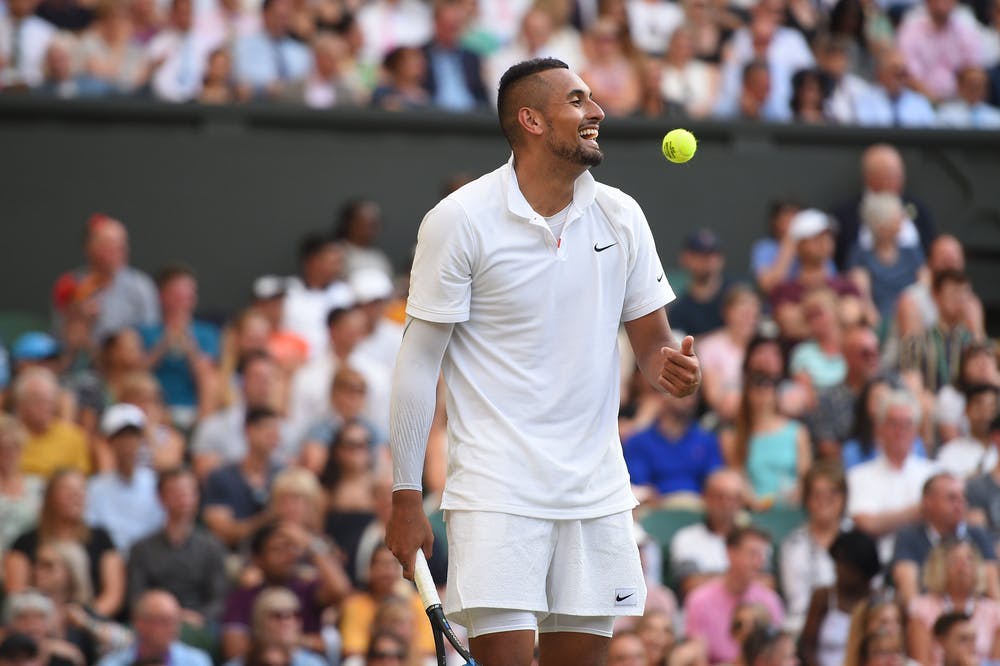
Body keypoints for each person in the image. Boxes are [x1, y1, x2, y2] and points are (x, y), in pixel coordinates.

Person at [385, 58, 701, 666]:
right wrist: (405, 495)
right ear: (531, 120)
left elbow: (654, 345)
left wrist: (675, 370)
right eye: (578, 101)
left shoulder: (623, 215)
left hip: (597, 492)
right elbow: (417, 364)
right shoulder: (459, 220)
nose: (598, 113)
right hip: (496, 491)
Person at [4, 469, 126, 619]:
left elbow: (113, 595)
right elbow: (16, 593)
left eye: (81, 490)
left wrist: (84, 618)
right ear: (50, 497)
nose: (76, 496)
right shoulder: (25, 543)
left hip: (89, 623)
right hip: (37, 624)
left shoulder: (101, 539)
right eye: (67, 490)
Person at [127, 467, 229, 629]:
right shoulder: (141, 549)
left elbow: (219, 599)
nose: (184, 498)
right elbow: (136, 598)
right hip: (154, 621)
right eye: (176, 492)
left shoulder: (212, 547)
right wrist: (166, 614)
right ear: (160, 497)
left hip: (198, 623)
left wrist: (199, 616)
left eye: (190, 492)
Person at [847, 389, 939, 563]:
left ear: (917, 430)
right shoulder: (859, 475)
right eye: (893, 423)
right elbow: (866, 524)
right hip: (878, 563)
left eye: (907, 424)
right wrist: (920, 510)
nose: (900, 431)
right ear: (879, 428)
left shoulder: (934, 473)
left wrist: (887, 520)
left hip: (930, 562)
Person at [890, 474, 999, 606]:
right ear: (928, 502)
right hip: (927, 616)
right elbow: (908, 591)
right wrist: (922, 616)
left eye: (962, 497)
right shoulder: (909, 536)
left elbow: (993, 588)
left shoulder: (977, 534)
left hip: (974, 614)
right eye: (952, 498)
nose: (960, 504)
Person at [683, 526, 785, 665]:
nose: (758, 563)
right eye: (752, 554)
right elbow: (697, 658)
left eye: (762, 556)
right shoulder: (699, 600)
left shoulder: (770, 600)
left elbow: (778, 654)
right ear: (731, 553)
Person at [50, 214, 159, 342]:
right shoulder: (70, 284)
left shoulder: (141, 285)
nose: (118, 250)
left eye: (121, 244)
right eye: (108, 244)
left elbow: (151, 335)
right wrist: (76, 319)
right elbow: (57, 338)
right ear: (89, 248)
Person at [138, 264, 220, 429]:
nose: (185, 298)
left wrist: (189, 346)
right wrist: (164, 344)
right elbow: (137, 373)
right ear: (163, 296)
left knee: (211, 377)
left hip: (195, 407)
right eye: (178, 293)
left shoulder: (207, 333)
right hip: (155, 408)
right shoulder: (145, 332)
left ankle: (203, 433)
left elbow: (206, 375)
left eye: (189, 292)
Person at [779, 463, 850, 634]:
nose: (823, 501)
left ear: (843, 498)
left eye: (832, 494)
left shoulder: (860, 541)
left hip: (850, 626)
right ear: (807, 499)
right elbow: (796, 600)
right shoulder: (793, 544)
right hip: (804, 626)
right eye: (816, 494)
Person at [85, 404, 165, 552]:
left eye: (133, 436)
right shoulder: (95, 488)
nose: (127, 443)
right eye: (120, 437)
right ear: (110, 443)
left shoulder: (155, 484)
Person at [907, 540, 1000, 666]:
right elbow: (920, 662)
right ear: (939, 567)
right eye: (954, 560)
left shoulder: (994, 612)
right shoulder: (921, 608)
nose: (962, 566)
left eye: (969, 559)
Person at [799, 529, 882, 666]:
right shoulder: (823, 597)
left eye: (846, 566)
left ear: (863, 571)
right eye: (837, 563)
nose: (838, 570)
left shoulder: (879, 602)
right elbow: (806, 647)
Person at [623, 391, 723, 504]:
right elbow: (639, 484)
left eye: (694, 393)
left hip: (699, 507)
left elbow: (715, 478)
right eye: (681, 391)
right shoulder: (639, 441)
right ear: (662, 396)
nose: (690, 399)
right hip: (655, 510)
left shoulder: (706, 440)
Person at [671, 468, 747, 595]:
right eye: (719, 497)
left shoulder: (753, 538)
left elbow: (767, 584)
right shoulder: (685, 538)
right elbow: (690, 585)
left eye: (733, 498)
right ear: (706, 498)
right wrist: (742, 577)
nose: (726, 504)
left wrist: (708, 577)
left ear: (741, 502)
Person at [96, 590, 212, 666]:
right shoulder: (111, 663)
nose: (173, 628)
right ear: (140, 623)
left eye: (175, 620)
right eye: (164, 621)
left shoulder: (197, 661)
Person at [14, 367, 91, 479]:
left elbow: (78, 482)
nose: (45, 407)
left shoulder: (73, 438)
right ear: (21, 403)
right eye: (38, 400)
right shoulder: (7, 437)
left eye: (49, 401)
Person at [222, 588, 327, 666]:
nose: (287, 622)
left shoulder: (314, 663)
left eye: (294, 614)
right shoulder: (237, 664)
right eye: (278, 615)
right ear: (260, 620)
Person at [666, 229, 732, 338]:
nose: (708, 260)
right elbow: (678, 345)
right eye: (700, 254)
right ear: (685, 258)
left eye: (712, 254)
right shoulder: (679, 309)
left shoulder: (737, 293)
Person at [0, 415, 44, 558]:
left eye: (13, 447)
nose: (8, 454)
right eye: (2, 448)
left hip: (29, 558)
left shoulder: (38, 485)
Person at [936, 384, 999, 479]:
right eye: (979, 406)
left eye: (991, 407)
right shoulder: (950, 452)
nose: (985, 413)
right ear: (966, 410)